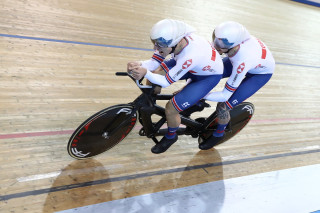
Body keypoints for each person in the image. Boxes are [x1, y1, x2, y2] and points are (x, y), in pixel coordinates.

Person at [127, 19, 224, 154]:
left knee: (171, 108)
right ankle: (151, 106)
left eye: (159, 45)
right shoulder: (172, 41)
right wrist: (140, 64)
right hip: (195, 66)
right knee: (155, 75)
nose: (156, 48)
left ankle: (171, 136)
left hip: (206, 78)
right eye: (154, 43)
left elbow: (166, 81)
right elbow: (155, 62)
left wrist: (145, 73)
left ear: (175, 43)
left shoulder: (190, 54)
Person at [199, 21, 275, 150]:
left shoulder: (242, 61)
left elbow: (224, 95)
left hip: (259, 75)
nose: (215, 45)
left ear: (233, 45)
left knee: (223, 105)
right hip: (249, 61)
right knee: (208, 74)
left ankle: (219, 133)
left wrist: (201, 95)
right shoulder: (235, 43)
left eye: (220, 44)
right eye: (215, 39)